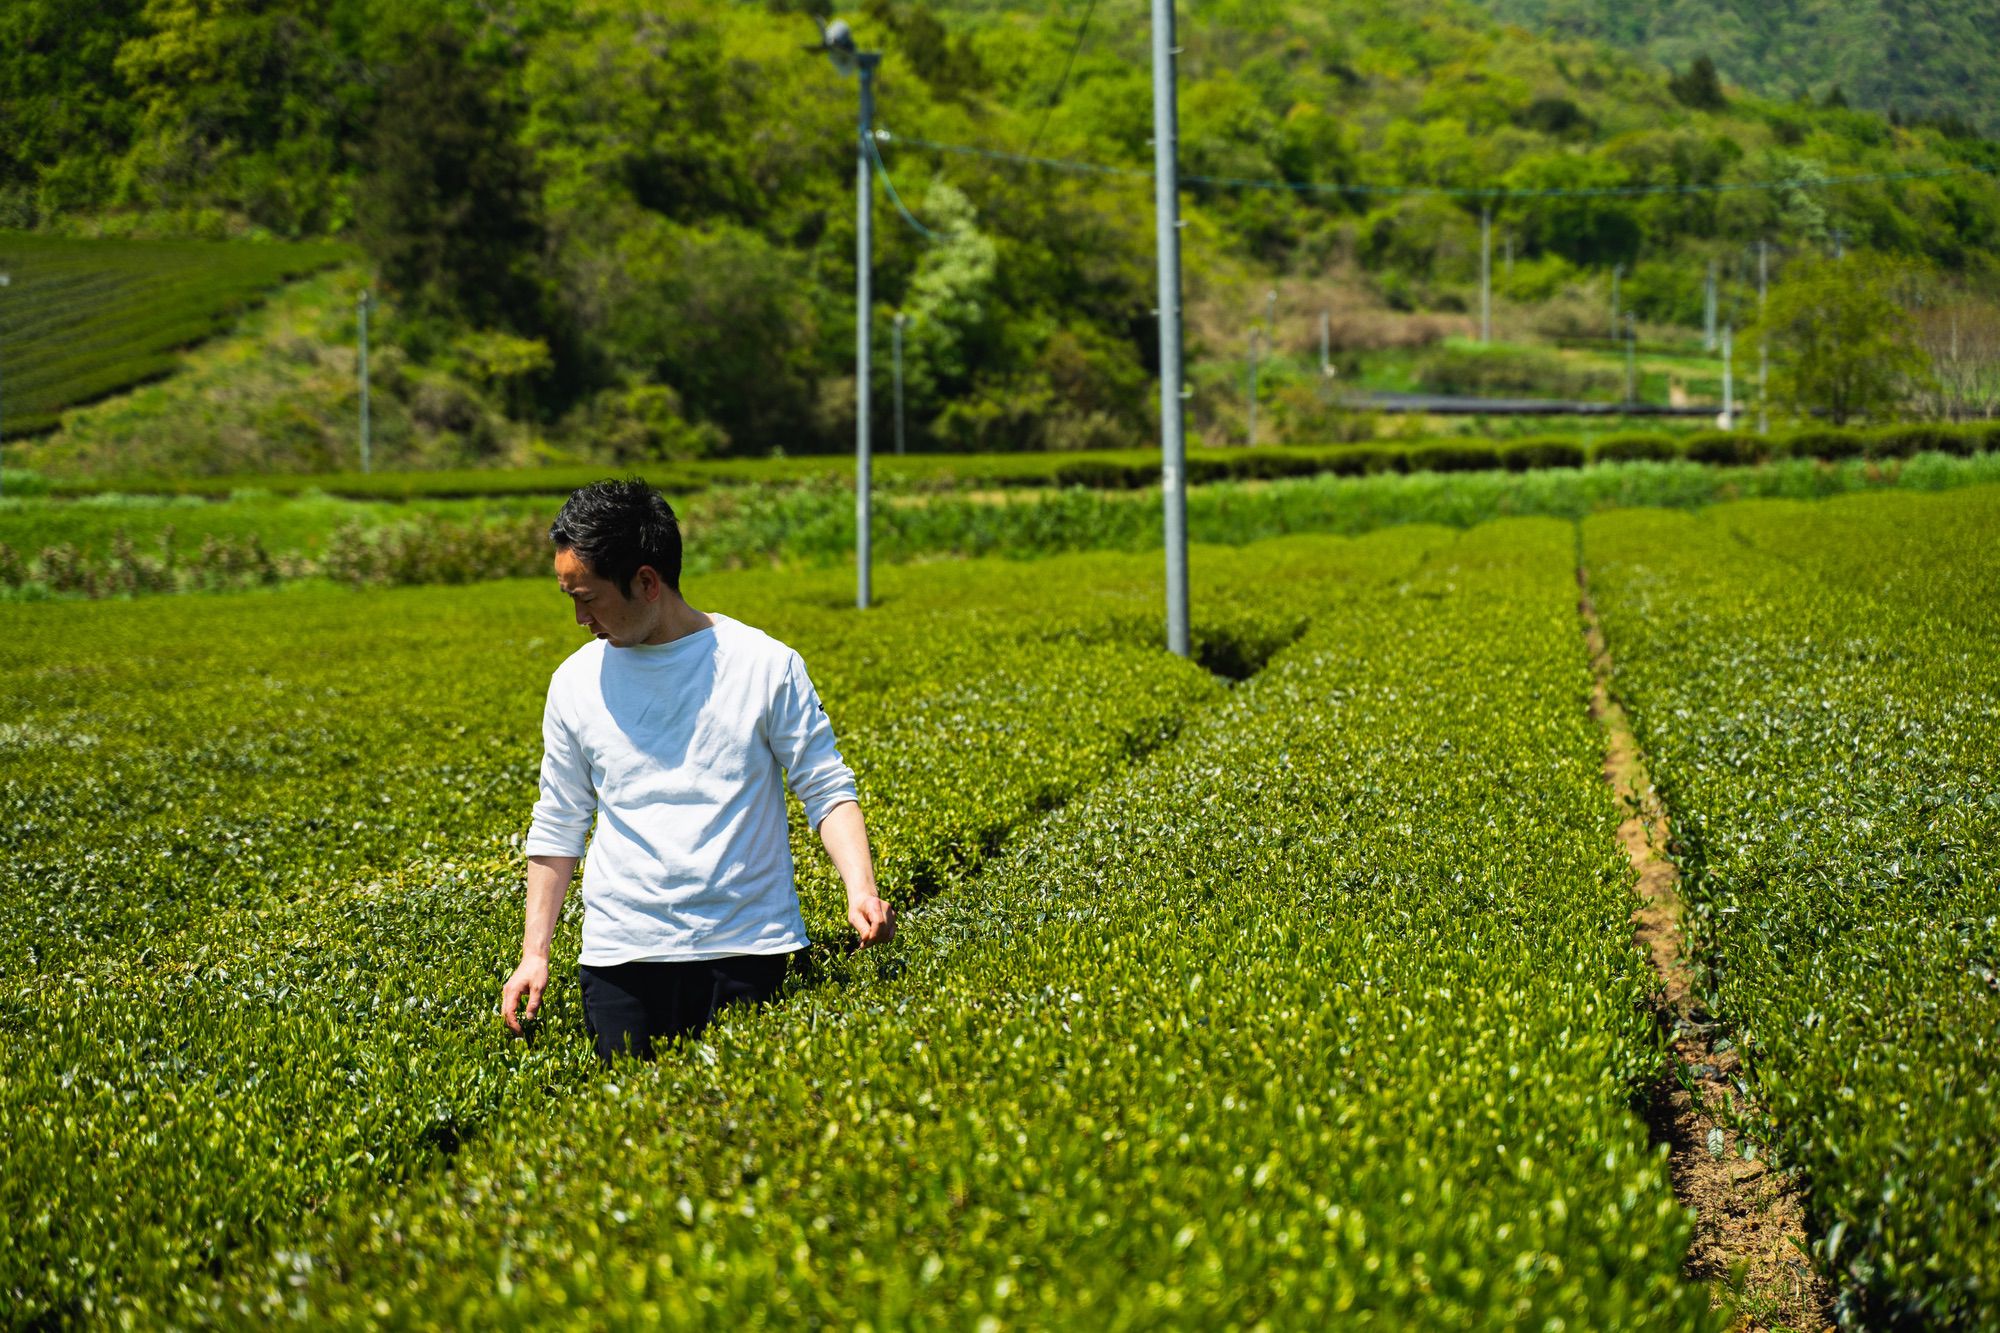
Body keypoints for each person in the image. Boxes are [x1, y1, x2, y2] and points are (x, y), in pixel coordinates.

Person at [499, 479, 894, 1062]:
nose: (579, 617)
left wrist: (860, 887)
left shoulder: (764, 665)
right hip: (621, 961)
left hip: (749, 951)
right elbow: (558, 823)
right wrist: (536, 952)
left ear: (647, 583)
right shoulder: (574, 683)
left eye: (588, 597)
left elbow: (825, 785)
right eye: (570, 598)